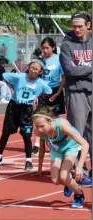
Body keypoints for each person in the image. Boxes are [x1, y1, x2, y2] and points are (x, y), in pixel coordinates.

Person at [0, 59, 52, 171]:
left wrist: (37, 97)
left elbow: (48, 91)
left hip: (27, 110)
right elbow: (4, 75)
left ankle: (28, 160)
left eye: (36, 69)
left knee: (26, 136)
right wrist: (11, 86)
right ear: (28, 67)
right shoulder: (20, 77)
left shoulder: (41, 83)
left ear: (40, 72)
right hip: (14, 107)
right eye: (32, 68)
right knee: (5, 133)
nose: (33, 70)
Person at [34, 105, 87, 208]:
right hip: (56, 149)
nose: (39, 129)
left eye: (42, 126)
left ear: (50, 121)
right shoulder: (38, 131)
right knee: (55, 180)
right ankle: (69, 182)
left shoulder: (62, 125)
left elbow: (85, 144)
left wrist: (79, 166)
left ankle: (79, 194)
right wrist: (39, 167)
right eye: (37, 126)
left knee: (63, 176)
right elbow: (42, 149)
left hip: (70, 146)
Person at [60, 12, 93, 179]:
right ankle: (81, 170)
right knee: (77, 134)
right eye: (74, 26)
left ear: (88, 25)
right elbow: (70, 70)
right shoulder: (67, 45)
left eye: (80, 26)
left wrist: (82, 71)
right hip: (76, 93)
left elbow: (76, 69)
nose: (77, 29)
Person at [32, 38, 66, 154]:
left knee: (54, 119)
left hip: (55, 90)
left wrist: (58, 92)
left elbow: (63, 78)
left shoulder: (59, 59)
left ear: (53, 48)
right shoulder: (39, 60)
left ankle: (54, 142)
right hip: (42, 91)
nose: (45, 51)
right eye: (43, 48)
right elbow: (35, 78)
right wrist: (35, 94)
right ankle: (37, 144)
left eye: (47, 48)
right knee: (38, 117)